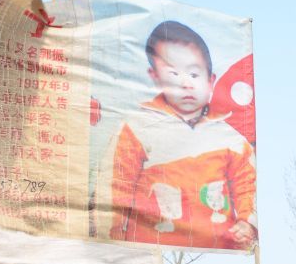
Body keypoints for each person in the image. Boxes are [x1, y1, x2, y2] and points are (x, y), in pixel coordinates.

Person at [99, 20, 257, 250]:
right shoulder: (138, 127)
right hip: (149, 250)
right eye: (173, 73)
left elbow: (246, 183)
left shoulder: (229, 135)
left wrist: (247, 223)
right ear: (154, 77)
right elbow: (114, 187)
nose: (186, 84)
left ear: (210, 81)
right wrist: (109, 239)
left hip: (217, 248)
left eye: (194, 74)